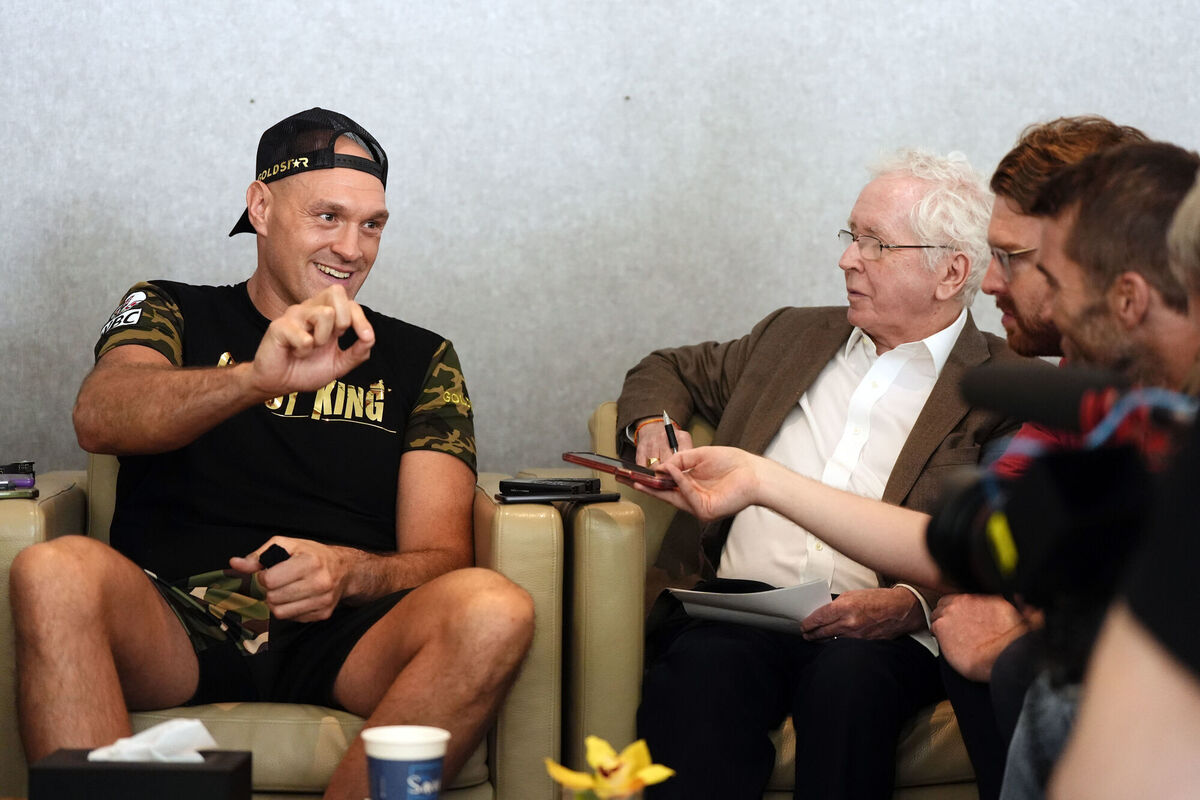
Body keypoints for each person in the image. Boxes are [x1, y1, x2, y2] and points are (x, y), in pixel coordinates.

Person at [9, 108, 534, 800]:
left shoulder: (421, 357)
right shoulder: (170, 307)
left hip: (344, 630)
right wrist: (253, 379)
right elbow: (100, 416)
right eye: (327, 217)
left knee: (494, 608)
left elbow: (441, 558)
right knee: (53, 570)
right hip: (179, 615)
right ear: (261, 207)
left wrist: (350, 573)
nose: (352, 248)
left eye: (372, 224)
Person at [629, 117, 1148, 800]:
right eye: (852, 237)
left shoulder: (1009, 382)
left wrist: (914, 603)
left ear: (948, 273)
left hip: (880, 633)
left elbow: (995, 544)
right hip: (740, 610)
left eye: (874, 243)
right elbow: (667, 368)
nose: (847, 259)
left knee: (866, 682)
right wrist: (658, 428)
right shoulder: (793, 335)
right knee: (704, 674)